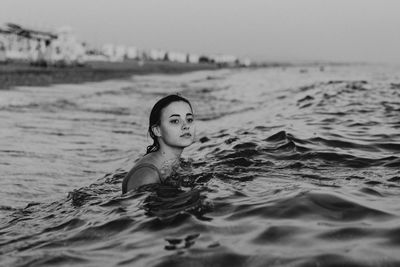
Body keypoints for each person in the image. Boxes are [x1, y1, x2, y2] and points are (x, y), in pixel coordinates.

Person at [122, 94, 196, 193]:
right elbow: (131, 208)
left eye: (189, 119)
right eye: (175, 121)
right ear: (157, 130)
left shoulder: (177, 163)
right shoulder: (147, 174)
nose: (186, 126)